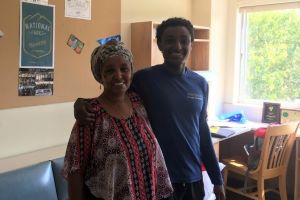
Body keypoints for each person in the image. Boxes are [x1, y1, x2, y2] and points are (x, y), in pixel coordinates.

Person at [75, 17, 226, 200]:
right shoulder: (144, 79)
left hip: (194, 179)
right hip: (158, 181)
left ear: (191, 43)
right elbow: (113, 96)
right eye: (169, 40)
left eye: (184, 40)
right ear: (160, 44)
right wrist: (81, 103)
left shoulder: (200, 84)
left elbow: (202, 131)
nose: (177, 46)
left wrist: (216, 180)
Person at [63, 40, 173, 200]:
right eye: (109, 70)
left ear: (131, 71)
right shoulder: (90, 114)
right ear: (100, 76)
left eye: (124, 69)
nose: (118, 76)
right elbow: (75, 170)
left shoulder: (139, 103)